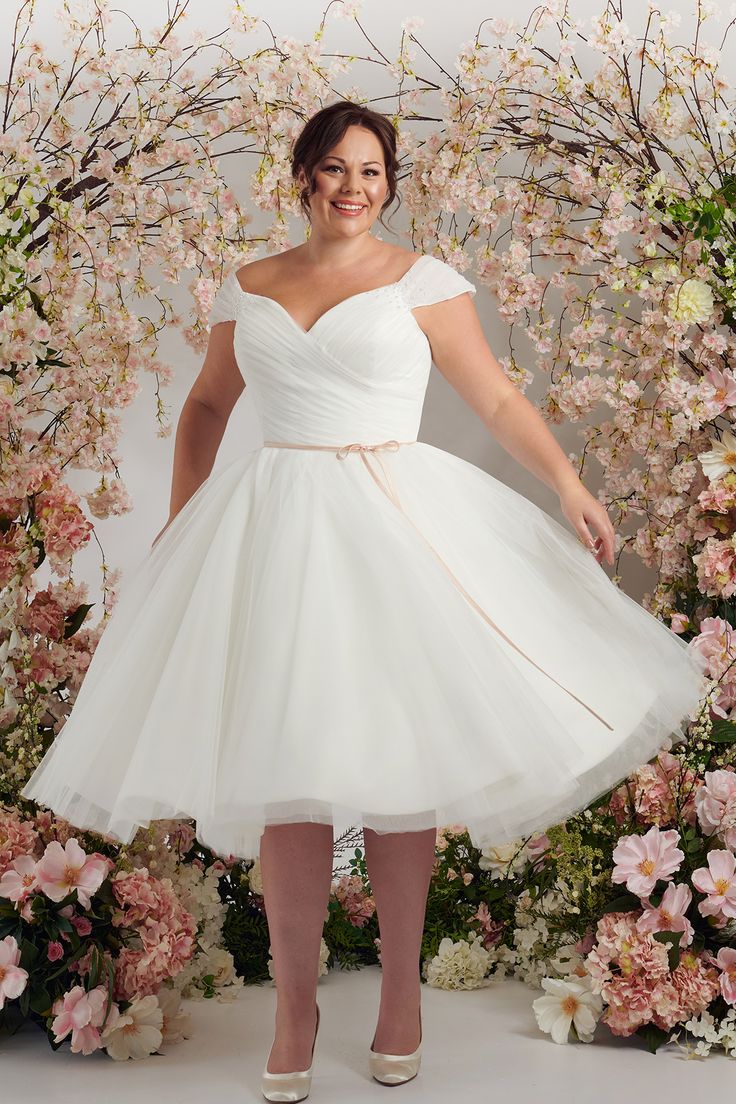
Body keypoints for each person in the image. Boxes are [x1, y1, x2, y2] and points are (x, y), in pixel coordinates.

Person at [21, 100, 709, 1100]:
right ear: (303, 175)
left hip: (397, 523)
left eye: (372, 173)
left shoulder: (421, 283)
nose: (353, 187)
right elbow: (209, 406)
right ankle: (294, 1007)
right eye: (336, 168)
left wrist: (566, 484)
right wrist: (179, 529)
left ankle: (400, 994)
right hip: (271, 530)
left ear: (391, 185)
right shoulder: (247, 285)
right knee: (286, 772)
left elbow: (498, 401)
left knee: (398, 768)